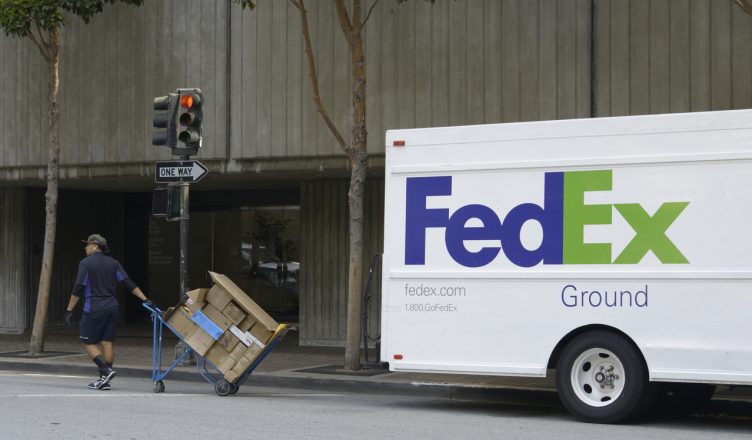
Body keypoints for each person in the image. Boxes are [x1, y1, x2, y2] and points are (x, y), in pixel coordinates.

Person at [64, 234, 152, 390]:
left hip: (95, 308)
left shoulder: (85, 264)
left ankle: (105, 370)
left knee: (87, 341)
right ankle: (105, 380)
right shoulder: (114, 263)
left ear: (95, 246)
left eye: (87, 245)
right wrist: (145, 299)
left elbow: (78, 288)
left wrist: (69, 309)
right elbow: (127, 283)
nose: (85, 248)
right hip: (112, 307)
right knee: (106, 342)